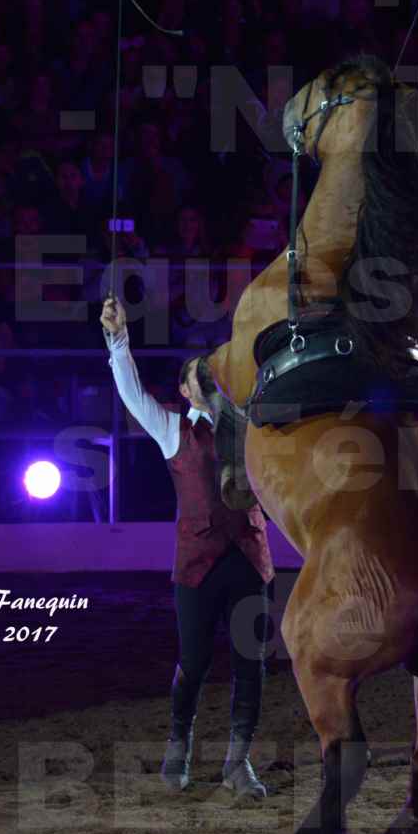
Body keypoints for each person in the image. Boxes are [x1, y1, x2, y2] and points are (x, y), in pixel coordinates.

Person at [100, 296, 275, 798]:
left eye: (211, 373)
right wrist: (118, 340)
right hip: (197, 566)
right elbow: (130, 391)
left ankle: (238, 763)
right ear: (183, 389)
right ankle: (179, 744)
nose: (208, 379)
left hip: (248, 558)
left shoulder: (247, 424)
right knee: (195, 660)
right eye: (198, 375)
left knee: (251, 662)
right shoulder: (170, 428)